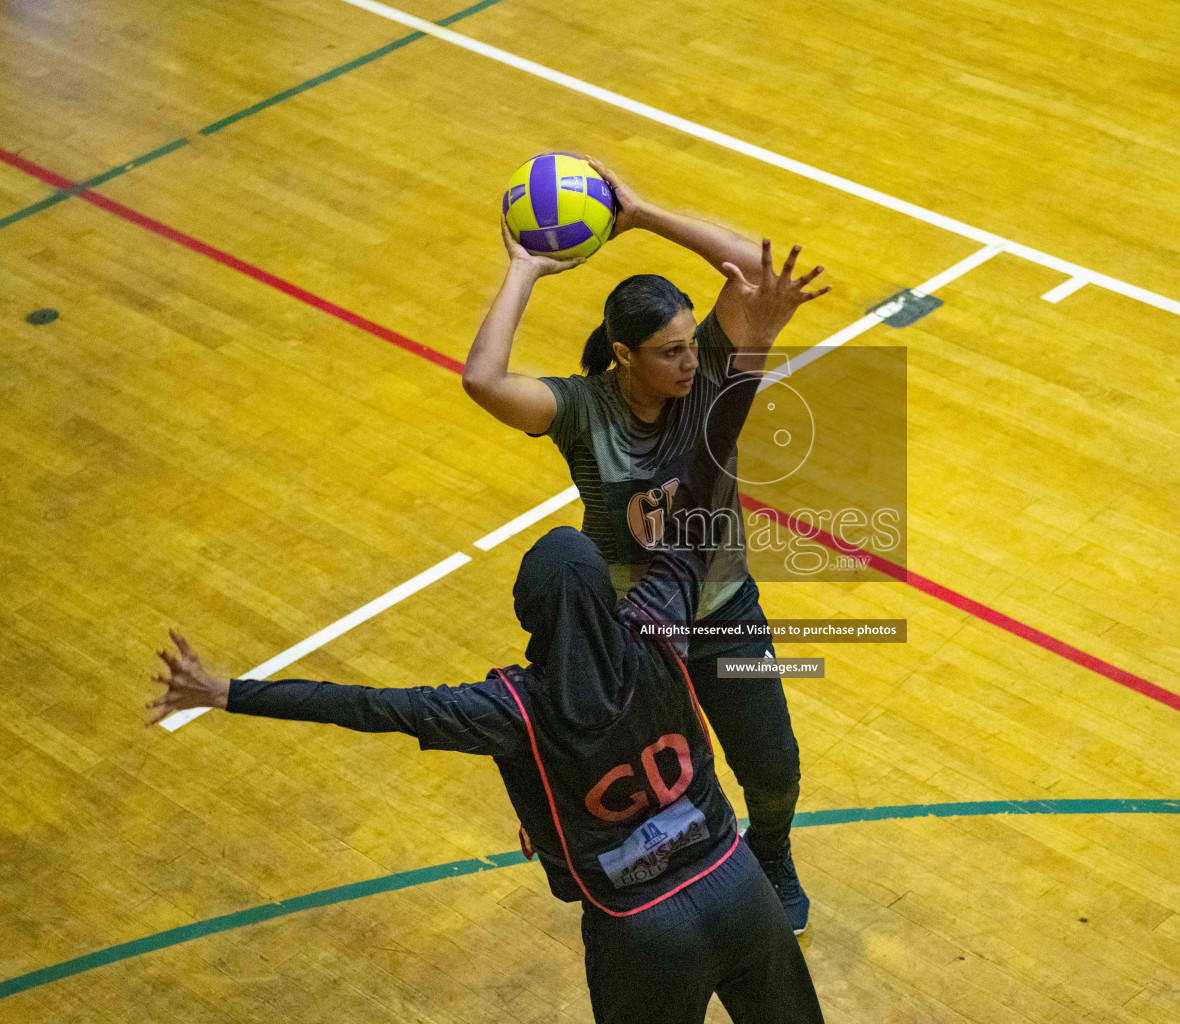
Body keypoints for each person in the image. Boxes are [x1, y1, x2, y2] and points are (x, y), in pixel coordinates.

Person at [146, 316, 825, 1023]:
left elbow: (366, 707)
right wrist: (752, 354)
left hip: (642, 925)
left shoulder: (510, 707)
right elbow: (709, 466)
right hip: (735, 884)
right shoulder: (657, 622)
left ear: (533, 616)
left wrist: (227, 692)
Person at [461, 158, 828, 931]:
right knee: (643, 790)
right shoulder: (578, 408)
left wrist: (644, 213)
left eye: (693, 342)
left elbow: (754, 270)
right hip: (635, 637)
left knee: (774, 765)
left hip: (724, 607)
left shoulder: (713, 371)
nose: (691, 361)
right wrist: (524, 269)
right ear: (624, 355)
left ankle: (772, 850)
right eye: (669, 351)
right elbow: (483, 381)